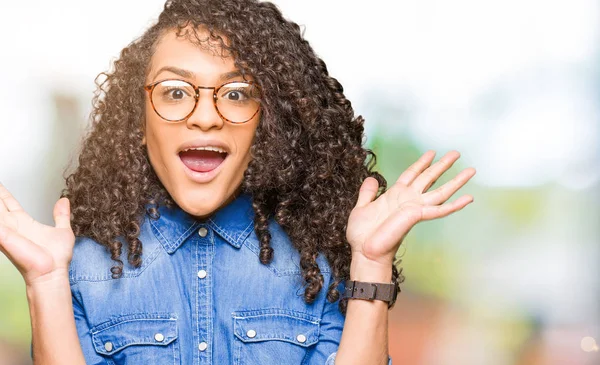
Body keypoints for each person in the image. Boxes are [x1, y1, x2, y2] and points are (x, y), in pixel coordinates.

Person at [0, 0, 476, 364]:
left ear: (266, 123)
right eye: (175, 91)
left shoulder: (324, 266)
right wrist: (45, 283)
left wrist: (371, 264)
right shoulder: (83, 270)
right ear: (138, 120)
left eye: (236, 93)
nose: (205, 117)